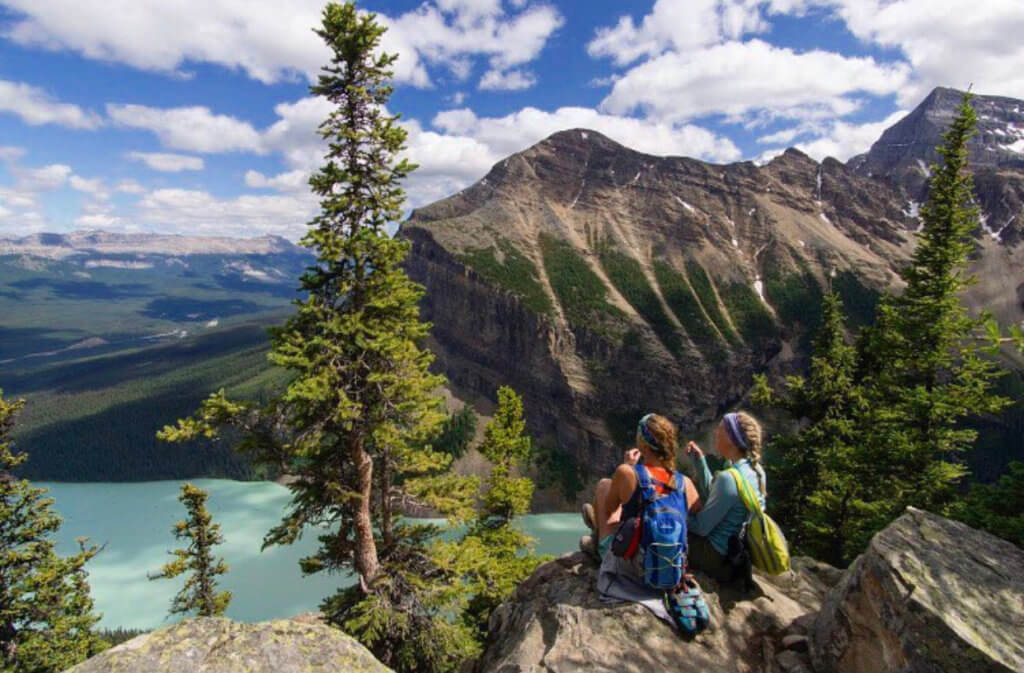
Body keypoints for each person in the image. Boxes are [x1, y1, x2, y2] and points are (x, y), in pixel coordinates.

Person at [580, 413, 700, 561]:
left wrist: (628, 466)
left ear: (643, 444)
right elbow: (697, 510)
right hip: (670, 564)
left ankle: (597, 542)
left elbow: (609, 509)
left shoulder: (627, 473)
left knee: (605, 485)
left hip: (632, 564)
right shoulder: (684, 482)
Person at [684, 411, 766, 583]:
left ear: (731, 438)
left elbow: (701, 527)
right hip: (735, 556)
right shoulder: (757, 472)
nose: (715, 433)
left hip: (715, 559)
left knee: (660, 530)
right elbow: (718, 500)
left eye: (720, 429)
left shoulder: (729, 478)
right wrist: (700, 463)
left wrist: (674, 514)